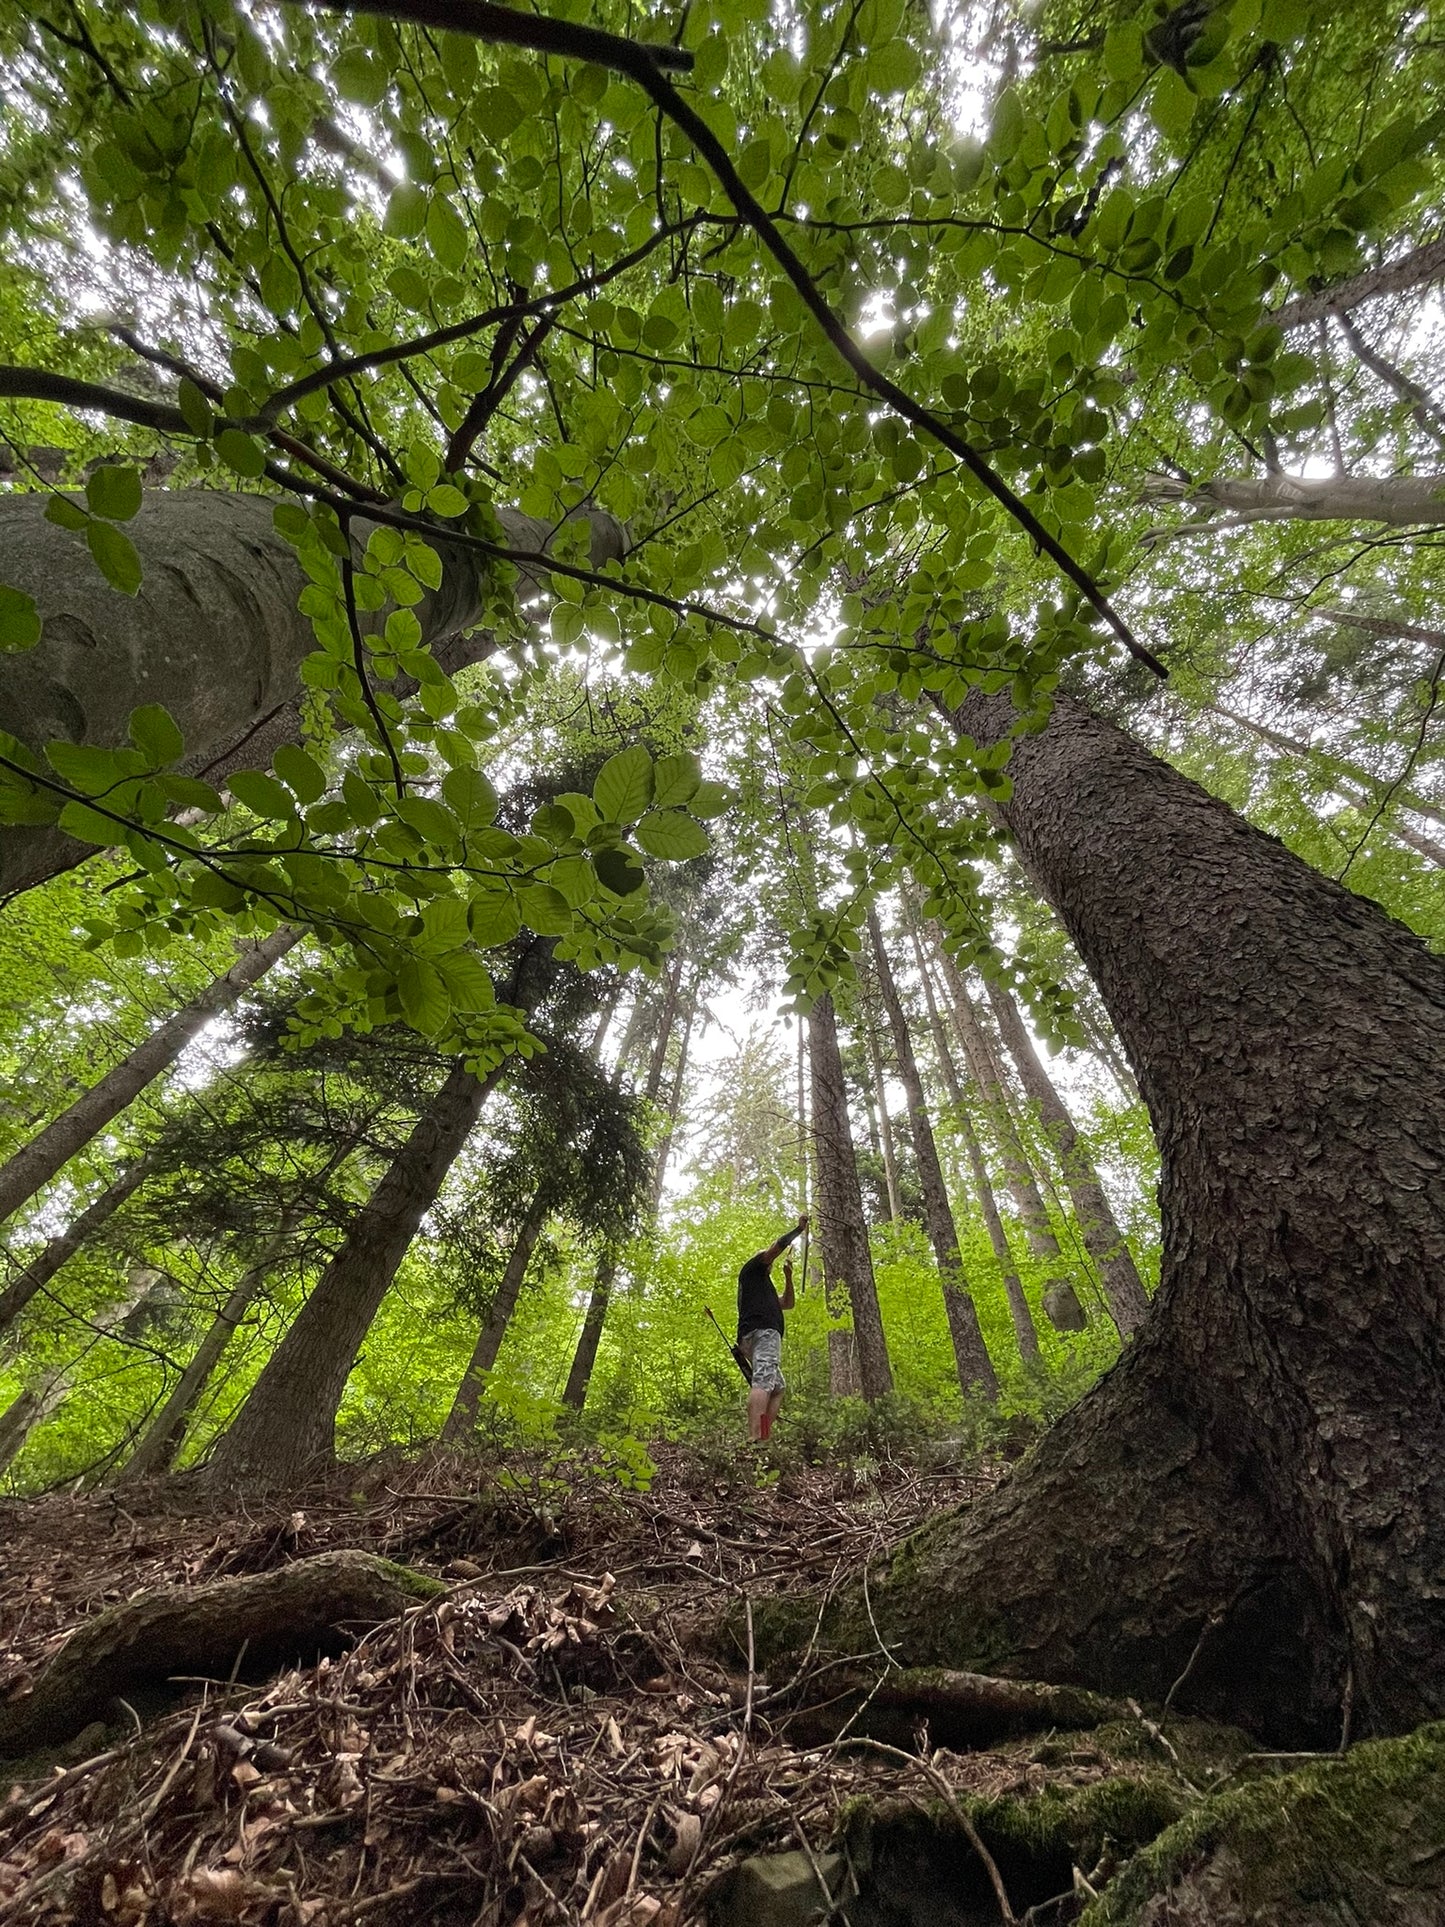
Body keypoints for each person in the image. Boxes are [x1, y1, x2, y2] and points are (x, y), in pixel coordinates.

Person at [736, 1214, 807, 1441]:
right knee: (764, 1382)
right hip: (763, 1333)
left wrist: (788, 1277)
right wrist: (798, 1230)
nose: (770, 1261)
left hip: (758, 1335)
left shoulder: (762, 1287)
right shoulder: (752, 1270)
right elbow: (776, 1247)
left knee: (777, 1388)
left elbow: (788, 1303)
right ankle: (754, 1438)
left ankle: (764, 1435)